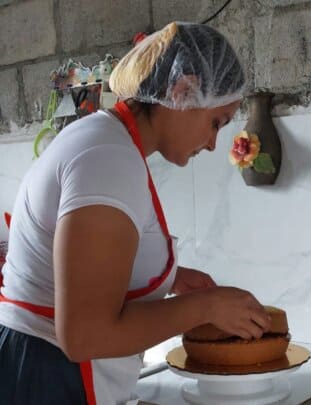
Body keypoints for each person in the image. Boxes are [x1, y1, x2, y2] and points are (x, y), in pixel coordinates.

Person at [0, 22, 272, 404]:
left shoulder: (107, 143)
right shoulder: (108, 158)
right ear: (182, 91)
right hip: (45, 378)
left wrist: (170, 278)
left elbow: (86, 267)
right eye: (216, 123)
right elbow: (84, 337)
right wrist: (206, 306)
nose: (212, 144)